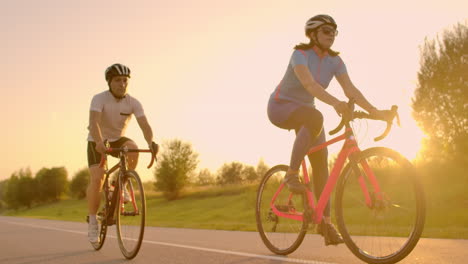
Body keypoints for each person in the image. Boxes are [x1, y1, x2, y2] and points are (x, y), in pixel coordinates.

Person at [267, 14, 387, 246]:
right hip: (280, 107)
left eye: (334, 32)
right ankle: (291, 175)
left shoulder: (335, 61)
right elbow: (310, 85)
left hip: (308, 114)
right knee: (315, 116)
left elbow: (350, 89)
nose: (331, 35)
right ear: (313, 34)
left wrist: (374, 111)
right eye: (325, 31)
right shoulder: (299, 55)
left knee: (321, 165)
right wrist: (335, 103)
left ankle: (325, 222)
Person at [86, 63, 156, 245]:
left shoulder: (133, 102)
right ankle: (93, 221)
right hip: (97, 139)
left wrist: (150, 143)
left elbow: (145, 125)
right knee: (98, 178)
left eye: (125, 80)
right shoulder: (99, 98)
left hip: (117, 139)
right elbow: (94, 123)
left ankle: (121, 183)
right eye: (118, 80)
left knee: (133, 148)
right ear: (110, 82)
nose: (122, 84)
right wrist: (100, 143)